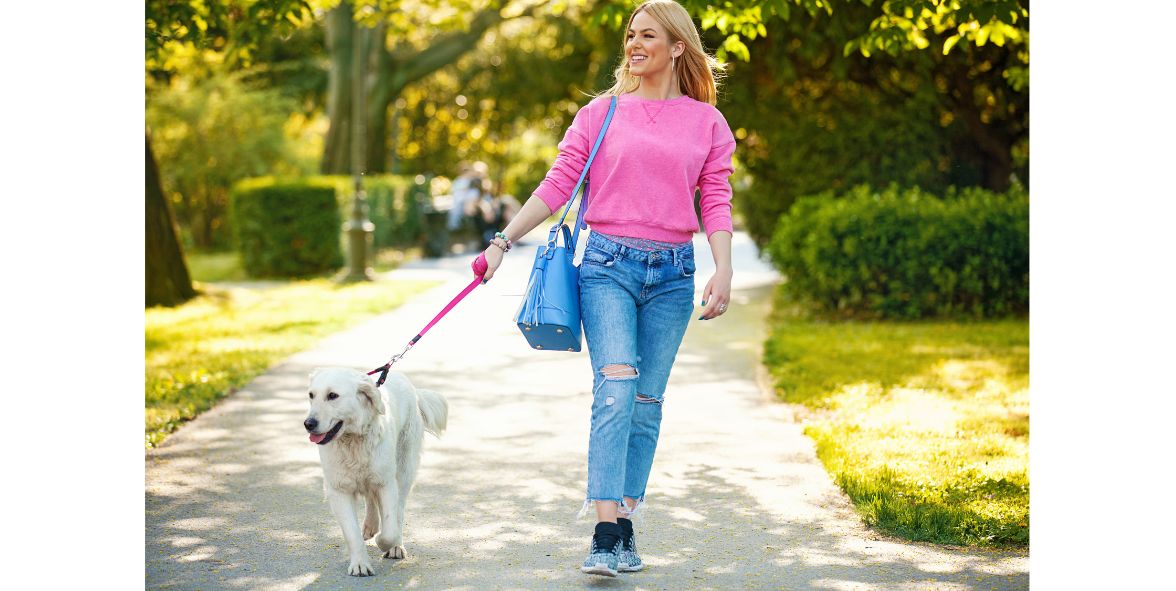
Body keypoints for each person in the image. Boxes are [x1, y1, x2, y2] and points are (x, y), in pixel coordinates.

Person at [478, 0, 735, 578]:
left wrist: (724, 267)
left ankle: (624, 518)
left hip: (673, 275)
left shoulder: (707, 124)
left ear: (677, 47)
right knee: (616, 389)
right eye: (630, 35)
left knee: (646, 403)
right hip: (607, 267)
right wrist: (503, 241)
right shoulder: (601, 113)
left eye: (648, 35)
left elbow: (715, 198)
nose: (634, 44)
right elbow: (559, 181)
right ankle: (603, 532)